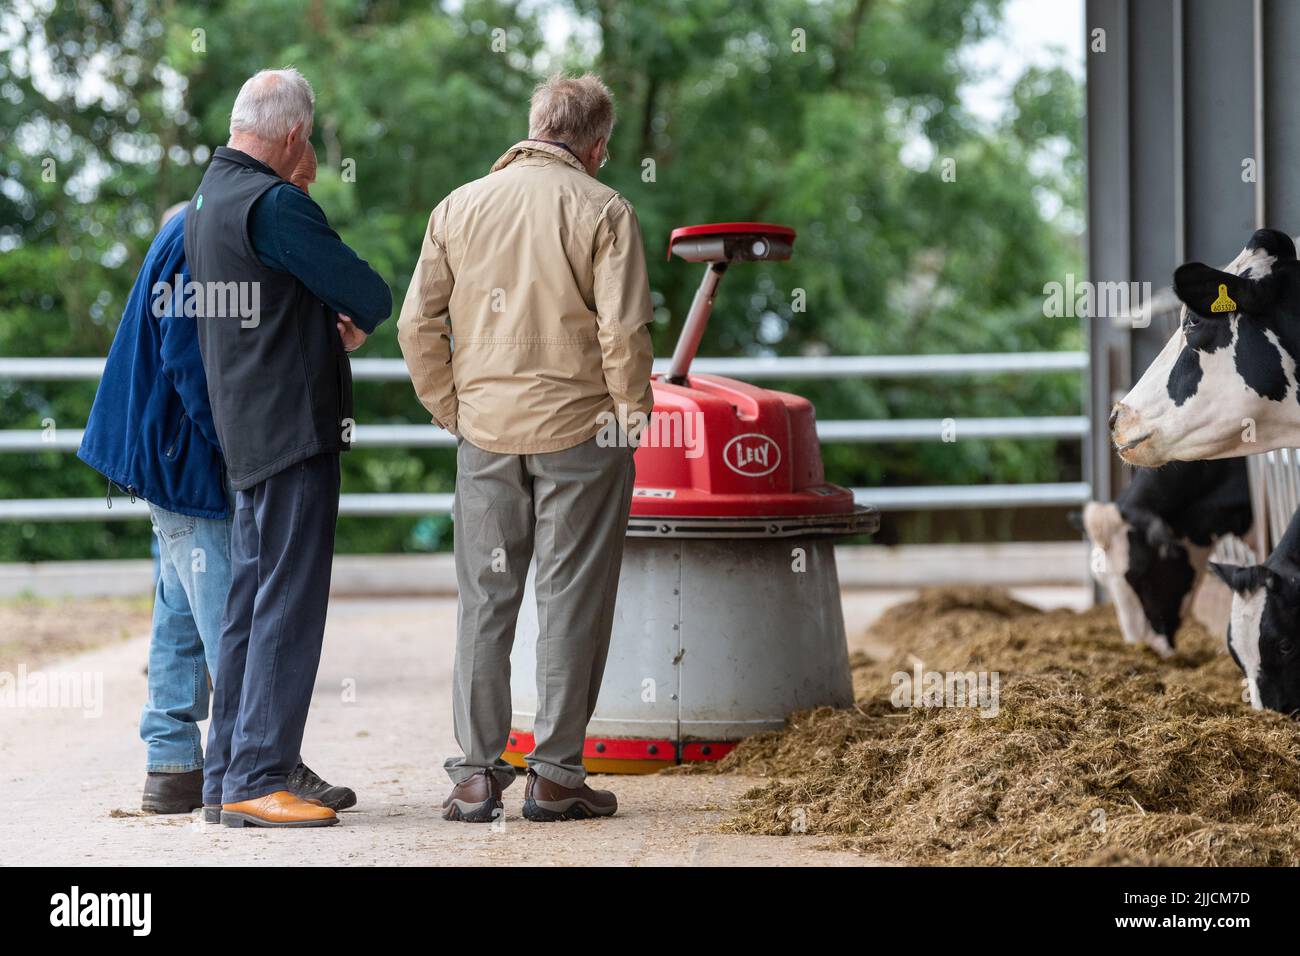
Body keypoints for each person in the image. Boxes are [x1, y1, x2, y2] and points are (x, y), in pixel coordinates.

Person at [398, 73, 654, 823]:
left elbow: (417, 327)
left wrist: (453, 407)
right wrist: (629, 419)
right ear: (597, 144)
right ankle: (555, 778)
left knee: (485, 603)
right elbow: (625, 332)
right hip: (581, 432)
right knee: (570, 603)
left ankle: (475, 777)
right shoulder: (605, 208)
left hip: (485, 433)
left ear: (534, 124)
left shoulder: (459, 205)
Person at [78, 157, 355, 816]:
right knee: (232, 611)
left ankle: (172, 764)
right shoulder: (199, 240)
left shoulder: (196, 230)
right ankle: (263, 764)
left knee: (179, 607)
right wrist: (242, 449)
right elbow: (186, 361)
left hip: (164, 454)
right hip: (182, 455)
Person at [186, 67, 391, 828]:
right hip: (293, 428)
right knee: (287, 604)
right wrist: (346, 319)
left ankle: (225, 776)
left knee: (250, 600)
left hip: (244, 426)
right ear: (297, 134)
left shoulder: (208, 199)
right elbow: (368, 293)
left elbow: (262, 303)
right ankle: (259, 775)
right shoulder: (275, 206)